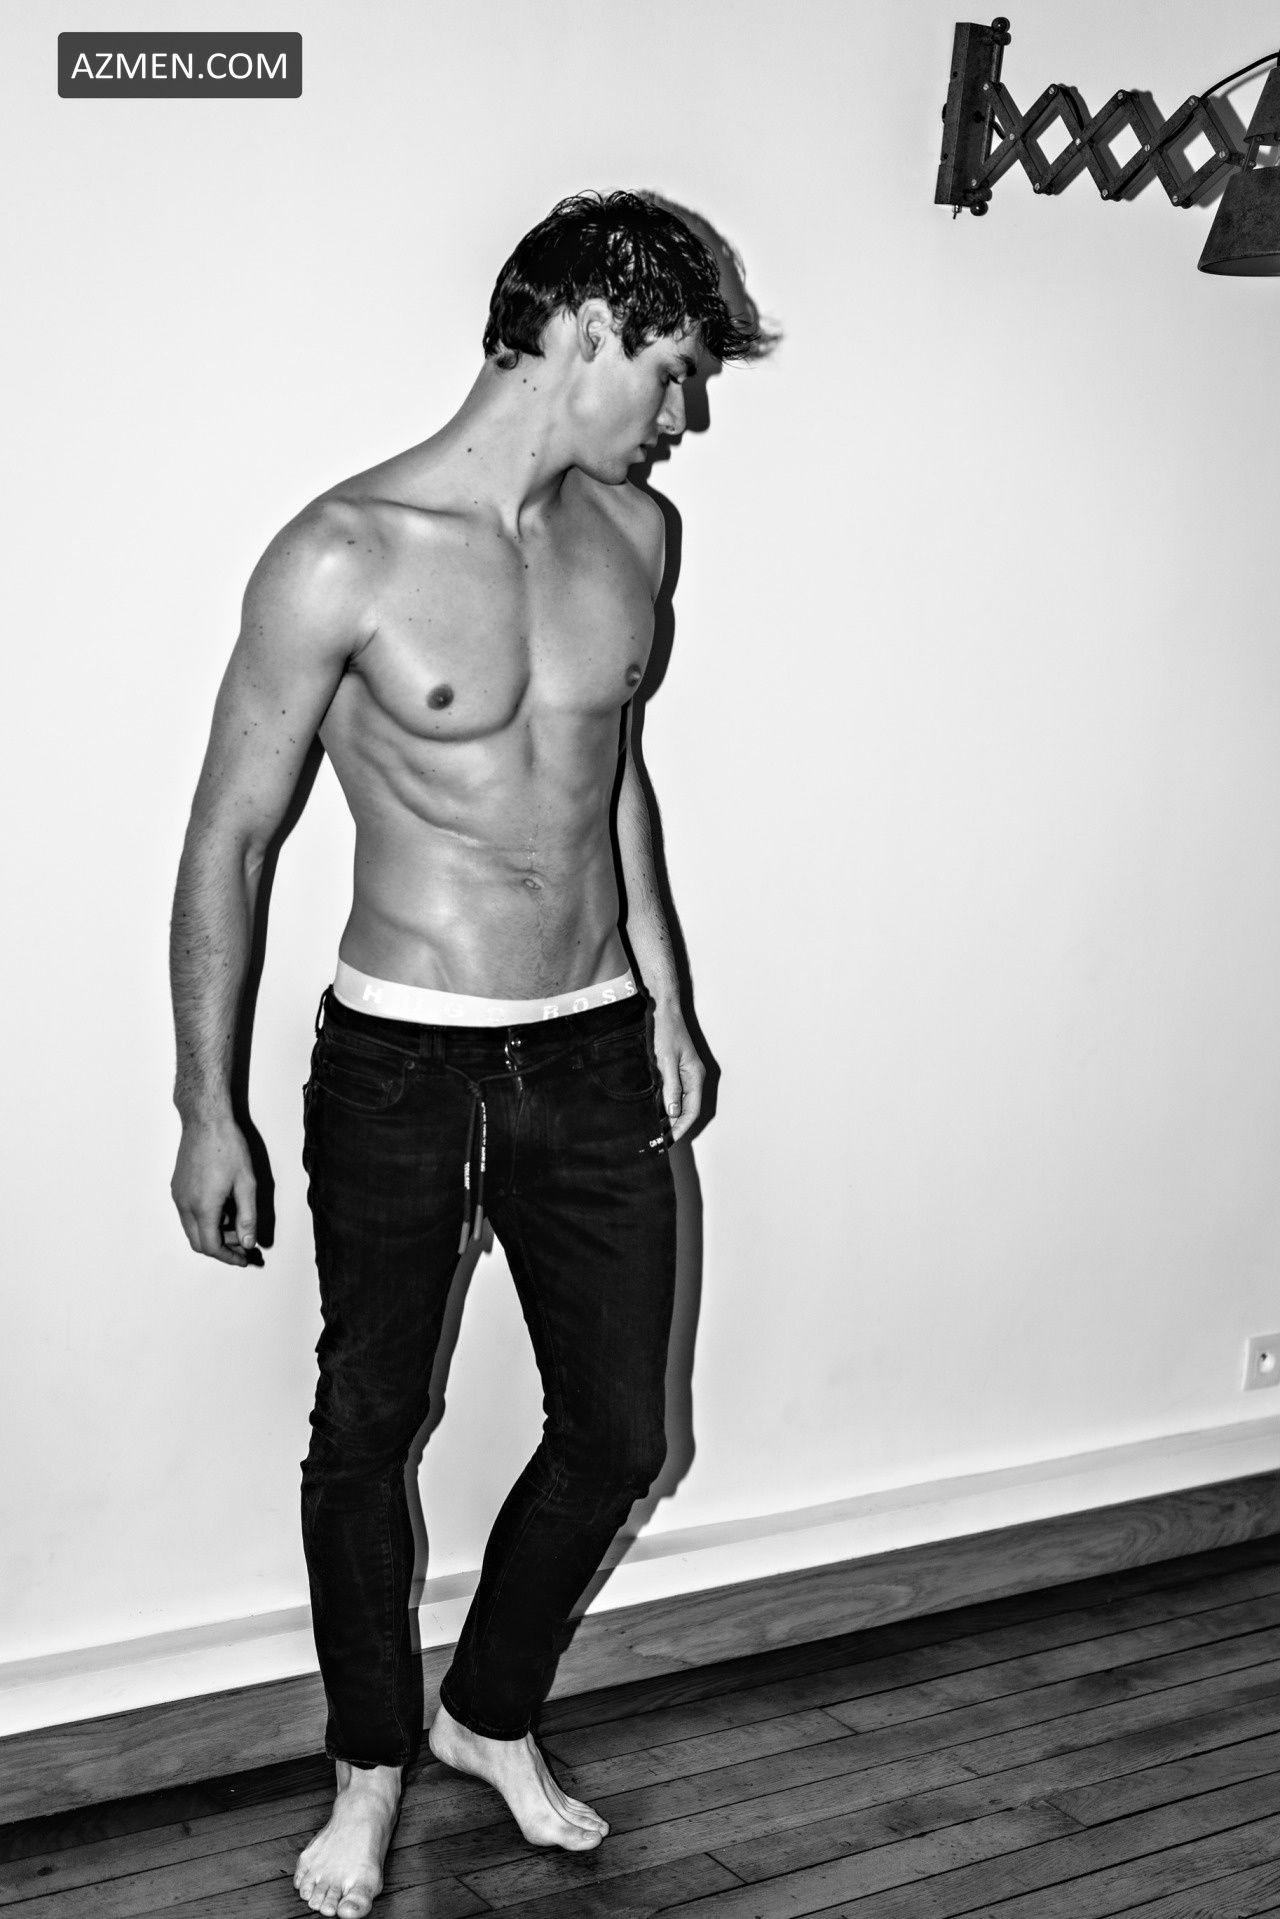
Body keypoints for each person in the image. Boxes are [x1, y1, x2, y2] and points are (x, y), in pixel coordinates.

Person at [169, 190, 763, 1919]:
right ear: (584, 327)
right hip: (402, 1063)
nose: (682, 412)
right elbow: (230, 841)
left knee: (621, 1434)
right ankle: (367, 1764)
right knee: (367, 1427)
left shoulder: (636, 535)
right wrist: (204, 1103)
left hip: (590, 1051)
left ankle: (484, 1714)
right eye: (669, 368)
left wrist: (664, 991)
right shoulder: (342, 556)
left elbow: (611, 771)